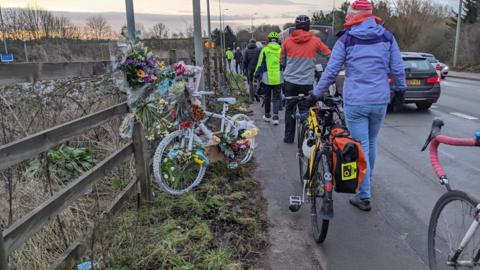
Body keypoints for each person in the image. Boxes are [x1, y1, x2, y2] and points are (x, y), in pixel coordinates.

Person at [312, 0, 407, 211]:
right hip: (380, 100)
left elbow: (331, 70)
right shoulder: (387, 37)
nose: (346, 18)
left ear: (354, 15)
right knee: (371, 142)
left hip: (356, 100)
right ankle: (367, 182)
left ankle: (364, 194)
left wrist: (316, 93)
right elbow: (398, 67)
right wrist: (400, 90)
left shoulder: (347, 39)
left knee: (360, 145)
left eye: (348, 14)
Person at [281, 15, 332, 144]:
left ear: (296, 27)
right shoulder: (315, 40)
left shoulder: (287, 41)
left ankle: (288, 138)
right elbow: (329, 55)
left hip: (290, 82)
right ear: (308, 27)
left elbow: (281, 60)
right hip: (307, 82)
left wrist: (288, 67)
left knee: (290, 109)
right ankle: (308, 135)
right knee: (307, 109)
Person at [255, 32, 282, 125]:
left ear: (269, 40)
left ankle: (267, 115)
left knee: (267, 97)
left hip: (267, 77)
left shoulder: (265, 50)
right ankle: (275, 117)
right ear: (278, 40)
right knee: (276, 98)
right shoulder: (281, 50)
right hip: (278, 77)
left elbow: (260, 63)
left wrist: (256, 74)